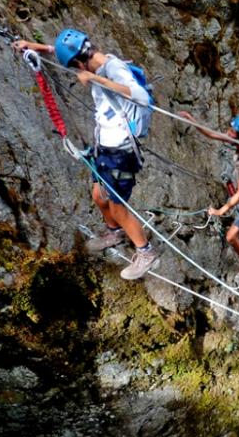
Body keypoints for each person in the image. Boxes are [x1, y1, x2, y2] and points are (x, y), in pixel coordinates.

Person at [12, 29, 159, 280]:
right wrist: (33, 46)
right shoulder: (96, 59)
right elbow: (59, 52)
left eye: (77, 66)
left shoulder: (113, 70)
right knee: (97, 196)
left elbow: (142, 97)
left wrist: (95, 79)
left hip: (121, 151)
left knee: (118, 206)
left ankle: (146, 253)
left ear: (81, 61)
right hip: (104, 145)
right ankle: (114, 233)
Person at [178, 111, 239, 286]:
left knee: (231, 237)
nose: (228, 133)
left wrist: (220, 211)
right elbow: (212, 134)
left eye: (232, 132)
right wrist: (191, 119)